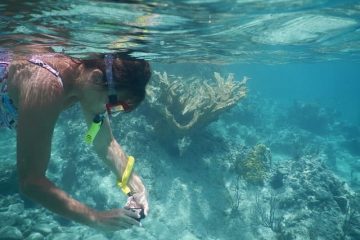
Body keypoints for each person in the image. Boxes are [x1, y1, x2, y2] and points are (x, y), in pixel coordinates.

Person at [0, 48, 150, 231]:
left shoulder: (85, 83)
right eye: (114, 105)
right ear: (96, 78)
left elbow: (105, 143)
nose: (109, 111)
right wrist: (95, 218)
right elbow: (31, 181)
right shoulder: (46, 86)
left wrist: (135, 185)